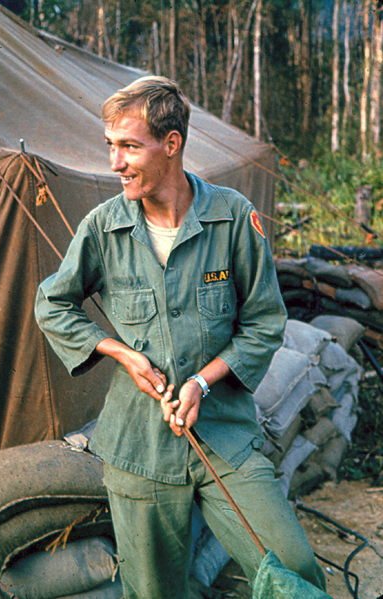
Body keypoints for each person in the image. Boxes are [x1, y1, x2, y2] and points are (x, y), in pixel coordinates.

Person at [35, 76, 326, 598]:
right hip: (139, 448)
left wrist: (201, 383)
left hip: (224, 439)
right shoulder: (103, 227)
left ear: (172, 144)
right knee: (154, 592)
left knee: (294, 570)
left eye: (129, 146)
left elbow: (264, 322)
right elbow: (51, 302)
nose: (115, 163)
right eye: (111, 147)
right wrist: (120, 352)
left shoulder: (233, 217)